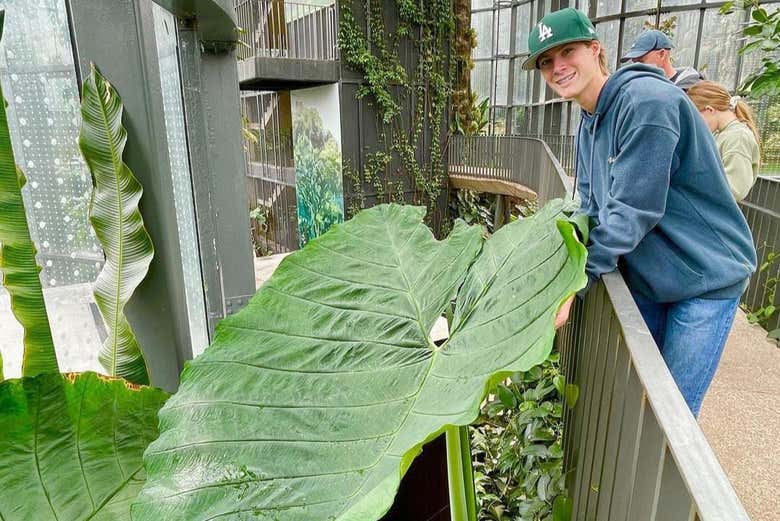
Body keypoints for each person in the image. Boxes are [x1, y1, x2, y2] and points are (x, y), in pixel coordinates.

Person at [522, 8, 757, 416]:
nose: (557, 67)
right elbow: (593, 205)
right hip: (653, 276)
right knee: (641, 408)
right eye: (546, 61)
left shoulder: (646, 103)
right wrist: (553, 269)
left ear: (595, 50)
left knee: (672, 420)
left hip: (705, 278)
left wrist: (576, 282)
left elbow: (632, 211)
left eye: (568, 52)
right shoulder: (590, 118)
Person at [687, 81, 762, 202]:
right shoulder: (720, 134)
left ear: (709, 110)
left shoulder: (738, 138)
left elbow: (735, 189)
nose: (696, 125)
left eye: (696, 119)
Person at [620, 29, 704, 90]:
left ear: (661, 54)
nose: (637, 67)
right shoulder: (639, 88)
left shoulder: (691, 91)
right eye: (634, 63)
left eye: (641, 61)